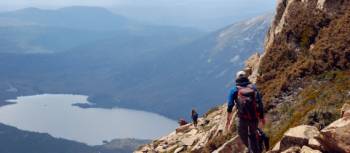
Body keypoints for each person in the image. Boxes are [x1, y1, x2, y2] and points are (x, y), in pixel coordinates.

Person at [226, 71, 265, 153]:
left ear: (237, 79)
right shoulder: (253, 88)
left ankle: (252, 150)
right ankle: (256, 149)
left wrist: (228, 120)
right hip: (254, 118)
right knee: (253, 135)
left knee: (243, 135)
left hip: (242, 118)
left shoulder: (234, 90)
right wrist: (262, 117)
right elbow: (260, 103)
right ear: (246, 77)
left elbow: (230, 105)